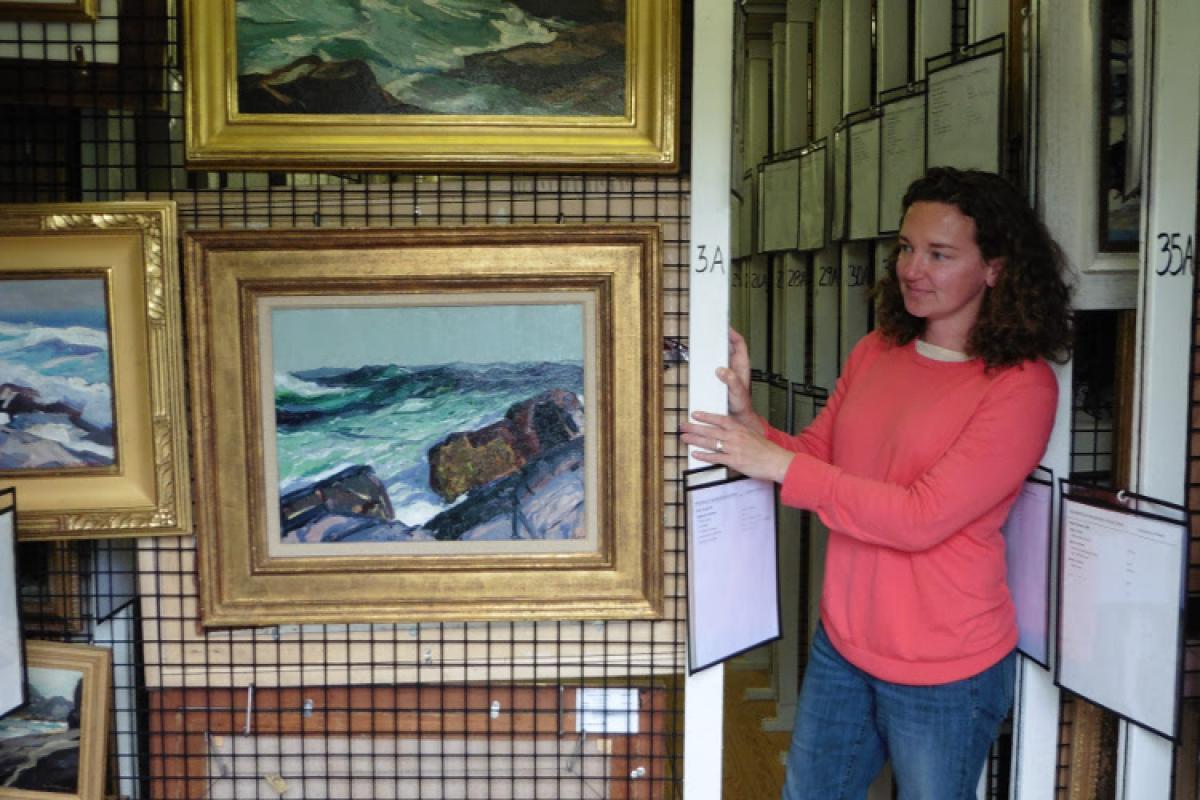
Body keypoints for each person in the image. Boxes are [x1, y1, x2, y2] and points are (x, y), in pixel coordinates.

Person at [679, 167, 1073, 800]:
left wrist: (775, 463)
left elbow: (921, 517)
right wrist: (749, 424)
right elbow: (818, 458)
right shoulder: (877, 350)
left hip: (947, 668)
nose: (913, 269)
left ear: (995, 269)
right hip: (844, 644)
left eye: (939, 254)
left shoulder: (1020, 386)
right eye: (906, 249)